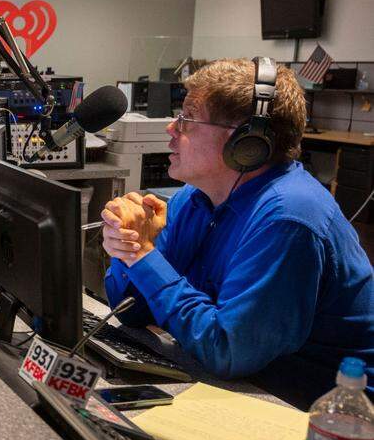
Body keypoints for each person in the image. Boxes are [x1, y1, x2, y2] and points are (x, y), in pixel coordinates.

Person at [100, 58, 374, 408]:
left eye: (187, 118)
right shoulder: (194, 199)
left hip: (327, 418)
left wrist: (144, 257)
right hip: (248, 384)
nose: (171, 128)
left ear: (247, 141)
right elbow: (131, 312)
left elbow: (227, 352)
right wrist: (131, 248)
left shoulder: (288, 218)